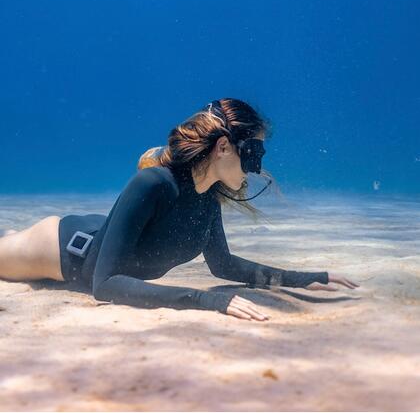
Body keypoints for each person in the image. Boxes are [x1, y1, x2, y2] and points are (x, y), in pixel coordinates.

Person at [0, 98, 359, 321]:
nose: (256, 166)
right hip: (57, 248)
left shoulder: (207, 196)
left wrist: (306, 278)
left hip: (102, 231)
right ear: (223, 148)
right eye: (253, 153)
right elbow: (105, 285)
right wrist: (207, 302)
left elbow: (224, 266)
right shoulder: (153, 183)